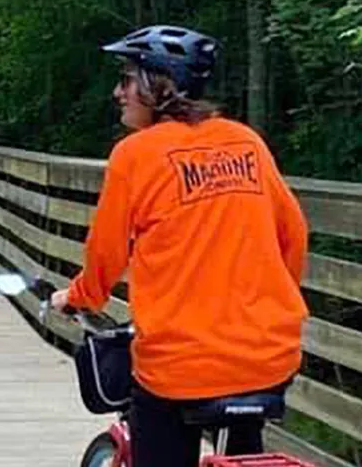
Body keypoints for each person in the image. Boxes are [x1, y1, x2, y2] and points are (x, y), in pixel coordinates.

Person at [49, 25, 309, 467]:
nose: (118, 91)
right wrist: (267, 300)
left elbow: (106, 256)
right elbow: (294, 235)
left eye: (127, 78)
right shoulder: (246, 141)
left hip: (180, 363)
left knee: (159, 410)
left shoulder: (134, 154)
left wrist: (76, 297)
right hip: (268, 352)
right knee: (242, 443)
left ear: (159, 83)